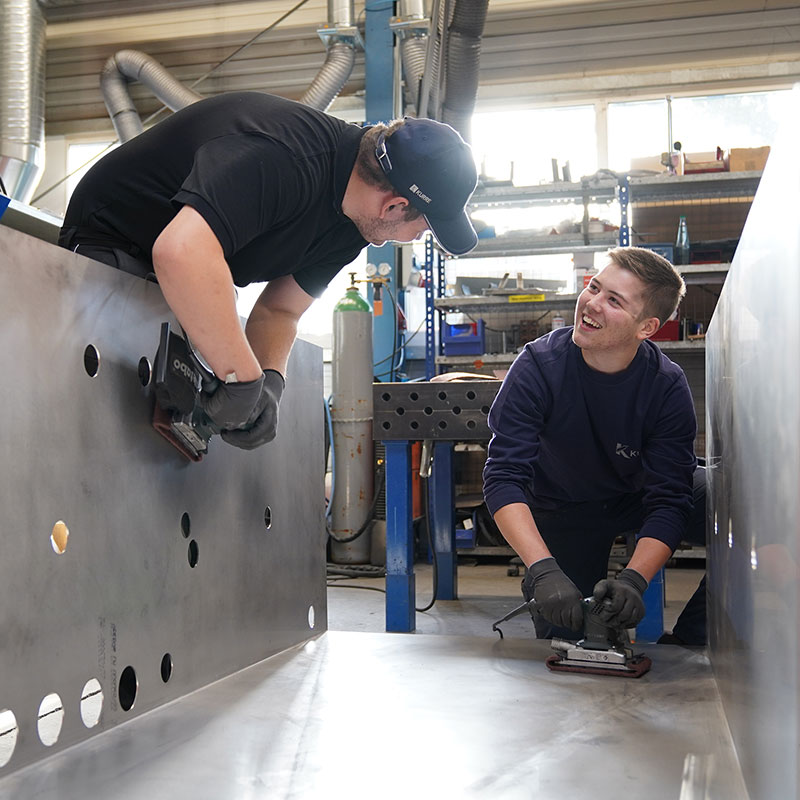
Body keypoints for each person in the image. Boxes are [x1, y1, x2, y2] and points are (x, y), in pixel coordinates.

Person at [59, 91, 478, 450]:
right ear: (393, 205)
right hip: (111, 246)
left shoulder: (353, 227)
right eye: (423, 227)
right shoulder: (284, 157)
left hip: (170, 274)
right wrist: (242, 378)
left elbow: (281, 310)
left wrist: (270, 381)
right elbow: (181, 252)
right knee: (99, 427)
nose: (417, 236)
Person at [483, 246, 706, 645]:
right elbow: (503, 477)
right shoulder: (538, 367)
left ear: (646, 328)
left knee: (745, 517)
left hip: (634, 495)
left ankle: (691, 642)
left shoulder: (665, 387)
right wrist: (543, 570)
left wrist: (636, 580)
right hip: (562, 505)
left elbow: (669, 499)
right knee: (569, 635)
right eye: (594, 287)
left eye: (614, 300)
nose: (592, 304)